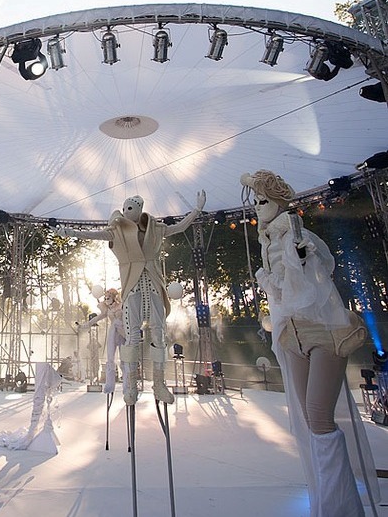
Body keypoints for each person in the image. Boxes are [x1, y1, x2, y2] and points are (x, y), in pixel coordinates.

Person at [240, 170, 379, 516]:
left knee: (319, 418)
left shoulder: (298, 235)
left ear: (279, 202)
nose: (258, 207)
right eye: (255, 201)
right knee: (308, 421)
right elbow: (284, 295)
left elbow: (313, 281)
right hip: (293, 335)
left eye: (263, 201)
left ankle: (339, 508)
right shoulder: (268, 241)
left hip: (322, 331)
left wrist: (299, 260)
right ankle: (329, 501)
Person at [59, 192, 205, 404]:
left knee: (159, 334)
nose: (126, 212)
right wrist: (69, 232)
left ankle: (159, 384)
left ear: (140, 209)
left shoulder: (155, 229)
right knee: (133, 336)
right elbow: (95, 235)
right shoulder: (117, 231)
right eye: (124, 208)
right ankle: (131, 385)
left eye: (130, 208)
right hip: (133, 286)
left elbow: (180, 227)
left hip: (153, 284)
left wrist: (197, 210)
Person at [77, 287, 125, 394]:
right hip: (113, 332)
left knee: (124, 359)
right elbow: (96, 318)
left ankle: (127, 385)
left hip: (123, 332)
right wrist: (85, 325)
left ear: (114, 298)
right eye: (105, 298)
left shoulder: (121, 306)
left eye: (109, 298)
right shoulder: (107, 310)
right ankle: (109, 385)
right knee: (110, 358)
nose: (106, 300)